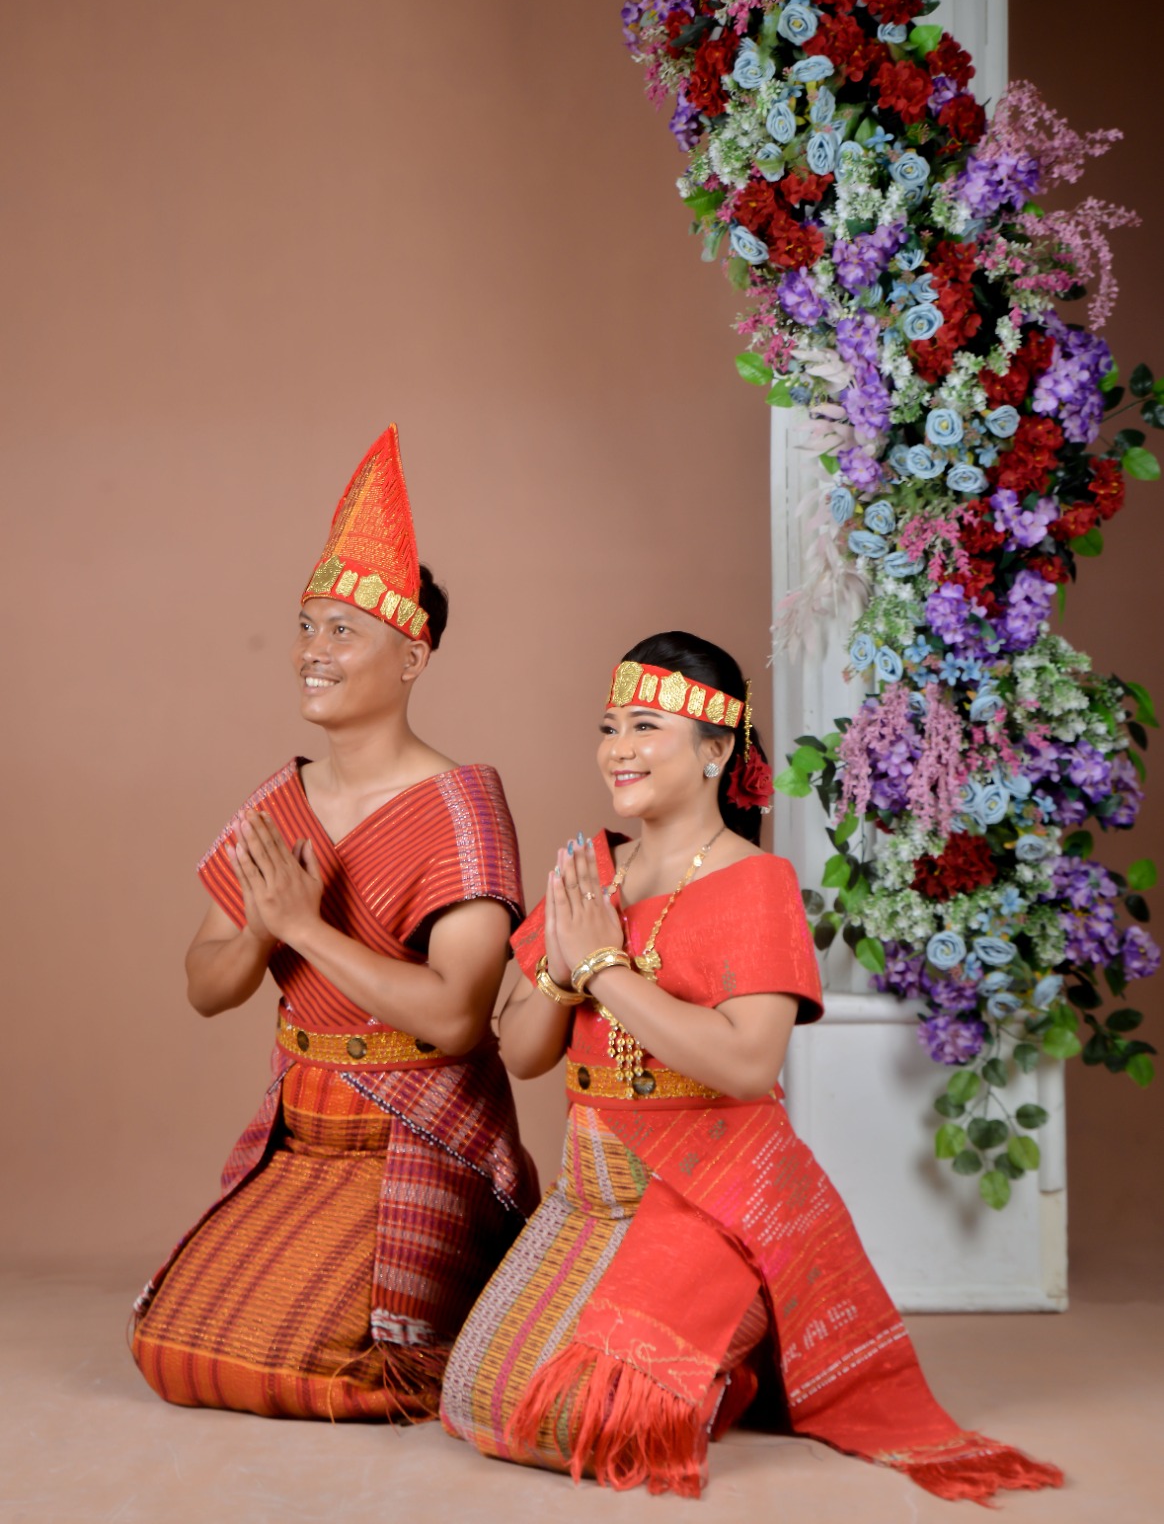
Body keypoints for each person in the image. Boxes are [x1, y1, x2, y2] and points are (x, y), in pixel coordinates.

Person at [440, 631, 1062, 1503]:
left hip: (709, 1203)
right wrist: (563, 960)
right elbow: (524, 1052)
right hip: (589, 1194)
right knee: (475, 1402)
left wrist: (604, 969)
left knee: (577, 1425)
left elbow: (745, 1062)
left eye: (646, 727)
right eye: (610, 727)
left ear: (716, 750)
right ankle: (712, 1364)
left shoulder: (757, 882)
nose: (618, 748)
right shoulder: (595, 872)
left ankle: (729, 1332)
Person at [131, 425, 537, 1421]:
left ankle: (480, 1272)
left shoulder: (463, 807)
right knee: (171, 1346)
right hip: (303, 1129)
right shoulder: (281, 799)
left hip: (419, 1133)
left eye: (343, 632)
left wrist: (304, 929)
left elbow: (455, 1017)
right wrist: (261, 930)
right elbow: (204, 983)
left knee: (343, 1367)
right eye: (306, 626)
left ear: (412, 656)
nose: (313, 651)